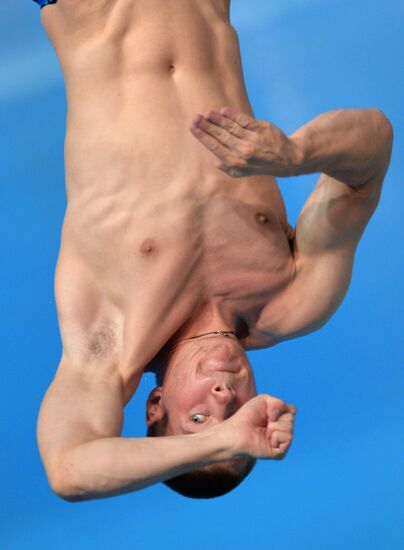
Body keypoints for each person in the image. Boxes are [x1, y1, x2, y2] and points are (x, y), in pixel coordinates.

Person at [34, 0, 393, 501]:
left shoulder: (112, 342)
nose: (225, 397)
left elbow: (69, 471)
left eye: (199, 418)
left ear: (154, 404)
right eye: (236, 412)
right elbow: (375, 142)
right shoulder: (294, 299)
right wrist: (295, 155)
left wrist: (228, 439)